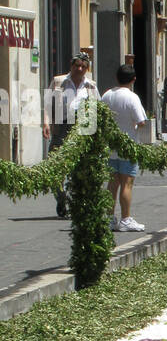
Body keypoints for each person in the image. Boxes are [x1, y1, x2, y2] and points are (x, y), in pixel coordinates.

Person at [42, 52, 99, 218]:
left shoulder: (91, 85)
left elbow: (99, 108)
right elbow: (47, 104)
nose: (79, 69)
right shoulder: (59, 81)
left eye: (83, 66)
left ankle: (76, 202)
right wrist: (46, 122)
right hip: (62, 127)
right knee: (55, 166)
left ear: (87, 69)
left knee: (80, 167)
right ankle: (61, 197)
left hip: (83, 128)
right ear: (71, 66)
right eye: (77, 66)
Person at [101, 64, 149, 232]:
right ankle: (126, 219)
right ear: (133, 79)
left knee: (112, 183)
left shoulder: (107, 95)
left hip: (110, 145)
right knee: (127, 183)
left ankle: (109, 218)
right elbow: (141, 121)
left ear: (117, 78)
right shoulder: (132, 97)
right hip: (128, 146)